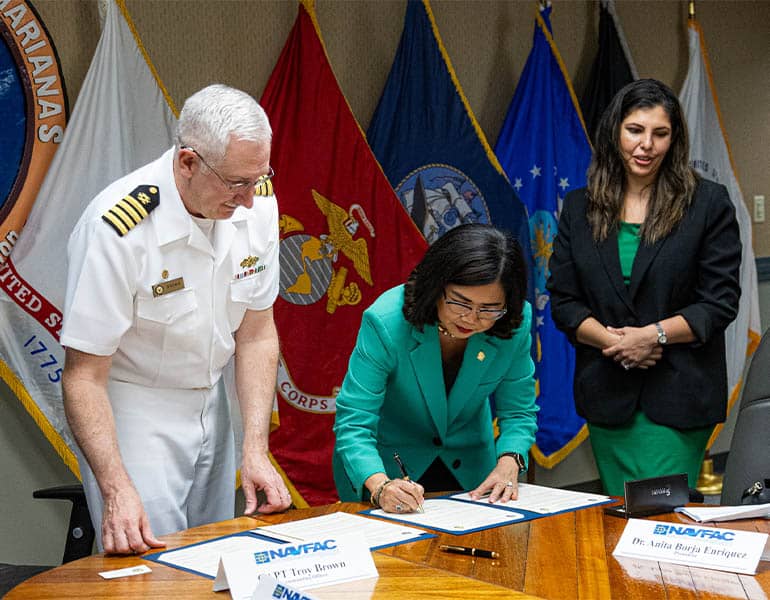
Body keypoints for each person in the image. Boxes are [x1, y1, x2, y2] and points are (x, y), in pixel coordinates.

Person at [60, 84, 291, 554]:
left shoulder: (258, 203)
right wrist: (116, 487)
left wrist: (254, 446)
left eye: (259, 177)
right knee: (147, 560)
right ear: (188, 162)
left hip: (214, 397)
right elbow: (83, 375)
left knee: (214, 553)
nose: (250, 198)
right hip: (136, 405)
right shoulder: (117, 227)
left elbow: (256, 335)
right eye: (236, 183)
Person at [547, 79, 741, 495]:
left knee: (660, 519)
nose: (646, 145)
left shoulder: (707, 203)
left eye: (660, 133)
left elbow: (720, 302)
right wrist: (616, 342)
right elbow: (563, 299)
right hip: (607, 394)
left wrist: (652, 336)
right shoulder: (581, 206)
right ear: (615, 130)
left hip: (678, 394)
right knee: (618, 516)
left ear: (675, 139)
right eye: (635, 130)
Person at [332, 223, 538, 513]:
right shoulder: (386, 321)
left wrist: (509, 460)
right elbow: (354, 420)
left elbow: (518, 411)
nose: (472, 318)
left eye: (489, 309)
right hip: (390, 471)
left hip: (472, 472)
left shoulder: (512, 323)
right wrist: (380, 486)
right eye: (460, 302)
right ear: (437, 286)